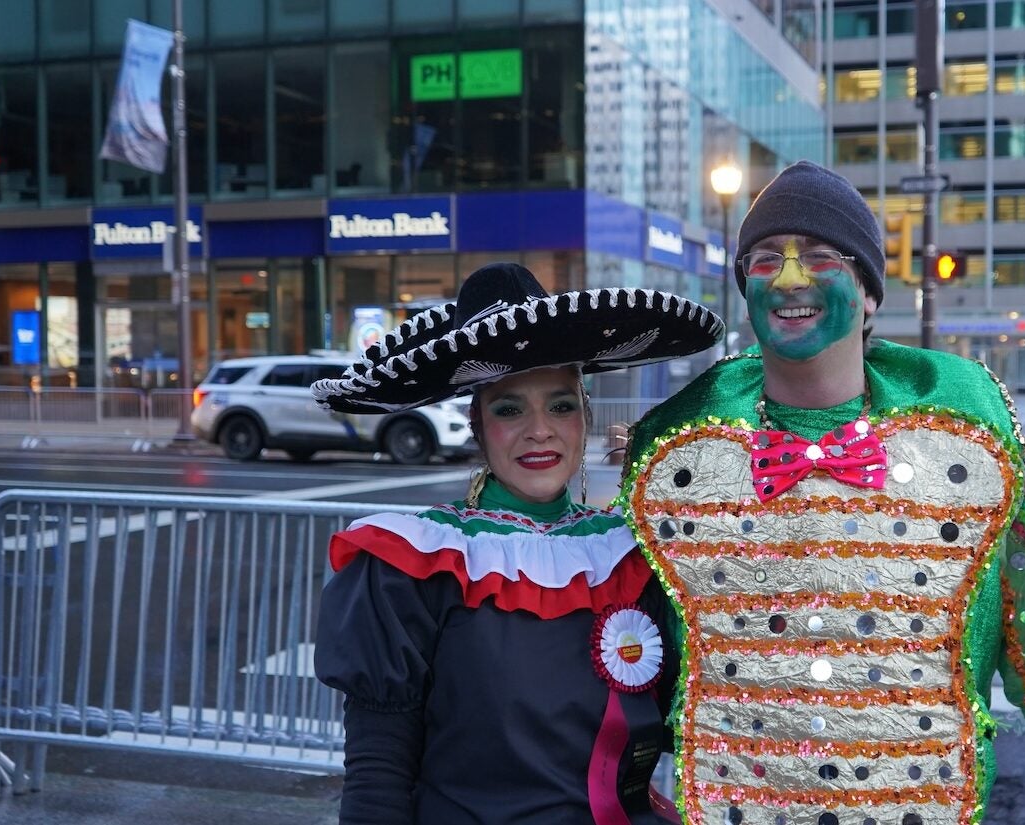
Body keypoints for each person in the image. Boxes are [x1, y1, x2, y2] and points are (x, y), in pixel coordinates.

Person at [619, 161, 1025, 825]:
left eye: (820, 256)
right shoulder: (678, 449)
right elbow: (630, 644)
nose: (790, 278)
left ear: (870, 292)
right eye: (766, 259)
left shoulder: (964, 431)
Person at [309, 262, 723, 824]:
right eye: (509, 409)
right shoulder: (411, 563)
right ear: (477, 426)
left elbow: (700, 720)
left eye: (561, 404)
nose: (540, 430)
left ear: (585, 415)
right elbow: (378, 774)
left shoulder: (637, 552)